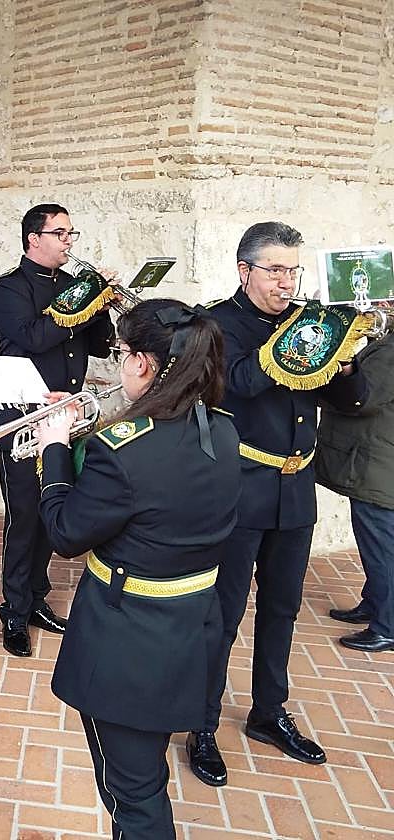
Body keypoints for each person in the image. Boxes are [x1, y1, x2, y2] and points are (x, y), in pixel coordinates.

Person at [37, 299, 240, 840]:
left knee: (133, 795)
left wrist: (56, 447)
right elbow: (154, 470)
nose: (119, 364)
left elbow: (64, 533)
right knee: (146, 771)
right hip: (191, 623)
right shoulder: (221, 430)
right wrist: (95, 424)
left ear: (145, 364)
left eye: (123, 354)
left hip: (127, 639)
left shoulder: (119, 453)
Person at [189, 221, 369, 786]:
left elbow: (352, 399)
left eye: (294, 270)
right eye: (275, 270)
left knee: (283, 610)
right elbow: (239, 380)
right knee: (222, 615)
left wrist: (341, 356)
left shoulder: (305, 322)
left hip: (295, 491)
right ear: (245, 272)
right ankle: (201, 722)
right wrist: (300, 342)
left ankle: (269, 712)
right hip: (241, 488)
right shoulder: (218, 324)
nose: (287, 282)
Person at [0, 203, 115, 657]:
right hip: (23, 416)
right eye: (59, 233)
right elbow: (34, 338)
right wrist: (83, 300)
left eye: (70, 233)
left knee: (51, 508)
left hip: (67, 417)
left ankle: (38, 598)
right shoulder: (8, 289)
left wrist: (101, 304)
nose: (68, 241)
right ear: (32, 239)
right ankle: (15, 611)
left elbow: (101, 345)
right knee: (23, 517)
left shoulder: (72, 287)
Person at [317, 330, 394, 652]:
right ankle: (374, 603)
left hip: (377, 467)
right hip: (375, 462)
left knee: (381, 550)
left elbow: (361, 399)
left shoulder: (391, 351)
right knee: (377, 544)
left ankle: (387, 626)